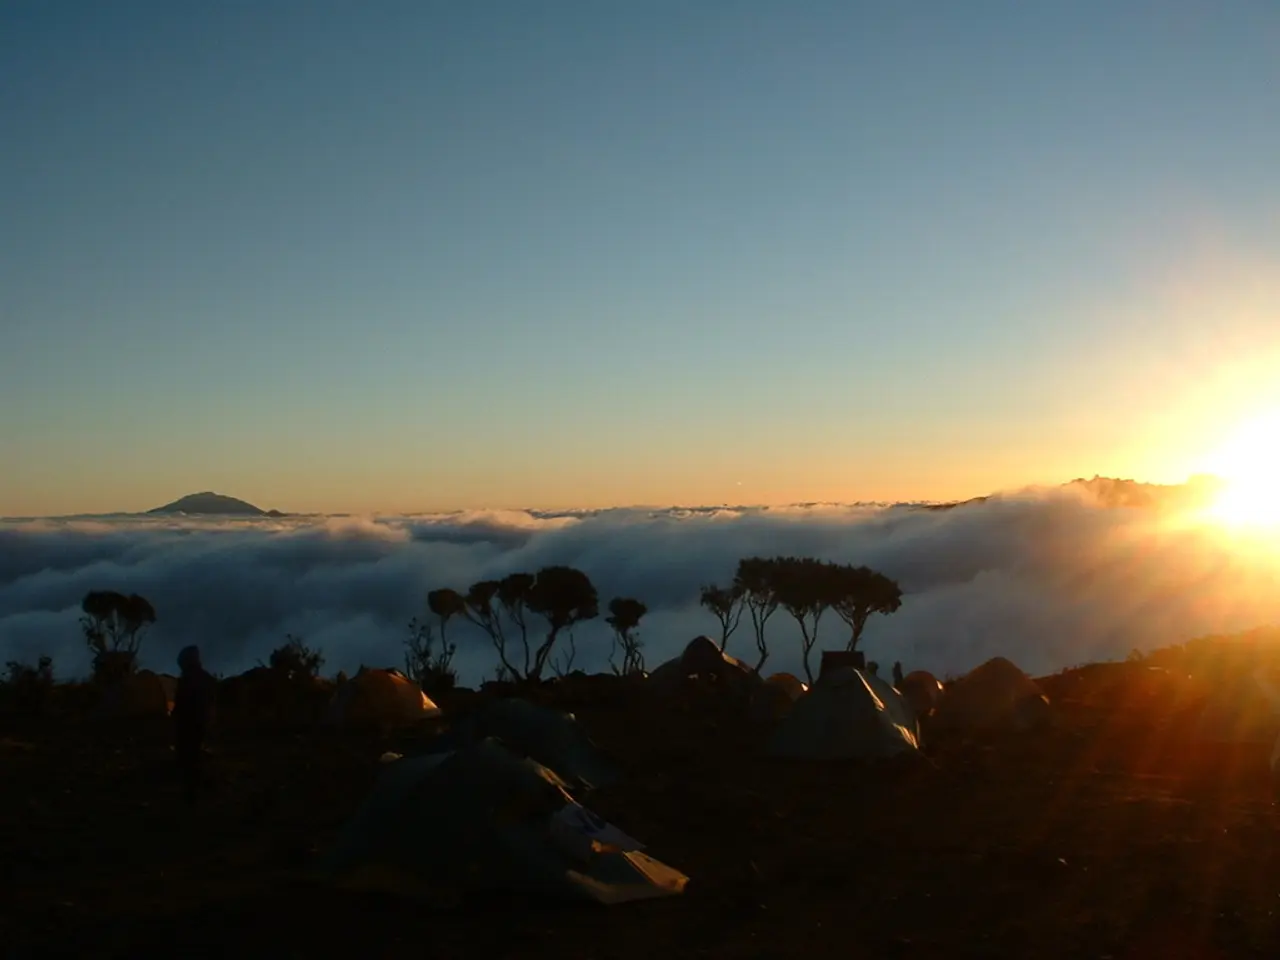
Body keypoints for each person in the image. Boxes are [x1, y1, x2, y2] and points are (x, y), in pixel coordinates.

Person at [172, 645, 217, 804]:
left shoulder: (188, 680)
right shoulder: (205, 678)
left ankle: (191, 795)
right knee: (195, 757)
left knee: (188, 759)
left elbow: (181, 704)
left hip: (189, 725)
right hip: (199, 724)